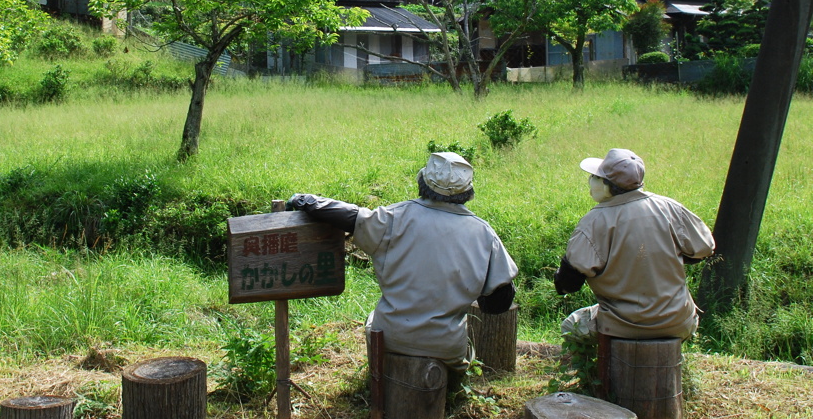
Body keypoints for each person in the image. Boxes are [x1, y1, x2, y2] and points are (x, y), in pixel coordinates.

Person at [289, 151, 518, 384]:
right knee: (464, 349)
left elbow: (351, 216)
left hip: (391, 338)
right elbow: (500, 300)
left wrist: (306, 201)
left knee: (373, 319)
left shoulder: (394, 217)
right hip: (446, 347)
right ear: (467, 193)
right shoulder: (483, 232)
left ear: (423, 182)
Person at [554, 148, 716, 341]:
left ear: (607, 185)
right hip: (679, 321)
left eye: (596, 177)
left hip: (622, 325)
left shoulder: (593, 222)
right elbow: (705, 248)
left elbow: (569, 284)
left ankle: (592, 370)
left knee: (571, 326)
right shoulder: (669, 208)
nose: (591, 180)